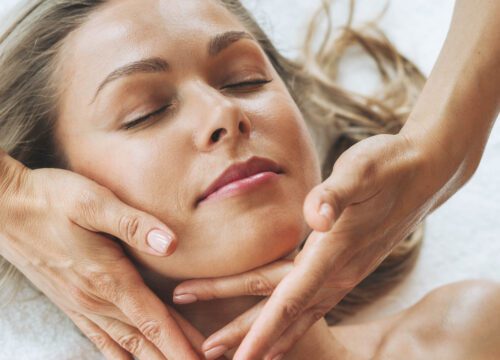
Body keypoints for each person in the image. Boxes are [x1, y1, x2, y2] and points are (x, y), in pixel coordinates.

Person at [0, 0, 498, 359]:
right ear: (57, 208)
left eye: (245, 79)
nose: (225, 111)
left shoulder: (468, 332)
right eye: (145, 113)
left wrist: (439, 143)